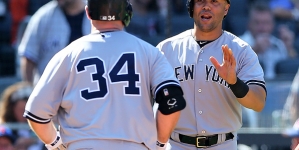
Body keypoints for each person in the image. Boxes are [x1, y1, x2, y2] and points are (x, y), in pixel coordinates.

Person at [23, 0, 186, 149]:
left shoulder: (68, 54)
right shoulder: (149, 52)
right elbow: (172, 99)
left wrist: (55, 143)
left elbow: (36, 113)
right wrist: (160, 142)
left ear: (87, 13)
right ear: (127, 13)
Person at [156, 0, 267, 149]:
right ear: (191, 7)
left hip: (223, 144)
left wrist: (234, 83)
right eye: (200, 1)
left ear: (226, 9)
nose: (206, 6)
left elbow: (258, 102)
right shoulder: (166, 49)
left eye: (214, 2)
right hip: (176, 144)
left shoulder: (241, 50)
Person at [18, 0, 91, 85]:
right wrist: (28, 89)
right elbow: (29, 57)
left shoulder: (96, 13)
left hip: (89, 89)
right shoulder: (42, 17)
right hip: (52, 92)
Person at [240, 2, 294, 80]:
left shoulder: (278, 44)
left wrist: (288, 48)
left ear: (273, 25)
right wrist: (255, 49)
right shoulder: (237, 42)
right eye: (257, 23)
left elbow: (289, 69)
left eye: (266, 23)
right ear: (249, 24)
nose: (262, 27)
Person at [0, 81, 42, 150]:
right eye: (21, 110)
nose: (25, 114)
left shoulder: (42, 125)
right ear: (12, 109)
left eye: (28, 111)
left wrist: (33, 139)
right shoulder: (5, 129)